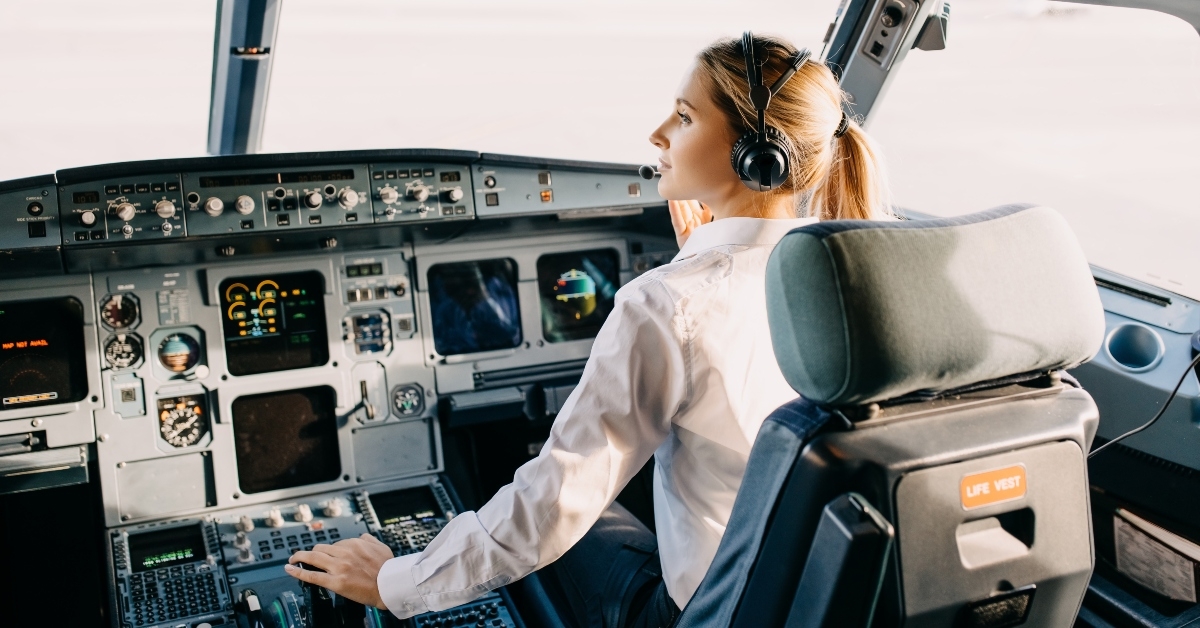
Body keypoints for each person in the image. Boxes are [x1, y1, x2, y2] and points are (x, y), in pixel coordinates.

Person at [285, 32, 891, 627]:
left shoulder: (666, 304)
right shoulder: (861, 278)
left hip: (705, 613)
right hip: (822, 598)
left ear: (752, 153)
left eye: (683, 116)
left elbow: (555, 504)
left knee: (536, 494)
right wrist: (699, 261)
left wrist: (396, 582)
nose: (658, 134)